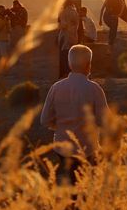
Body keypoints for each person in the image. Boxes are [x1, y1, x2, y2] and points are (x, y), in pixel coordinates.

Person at [40, 44, 109, 185]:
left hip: (62, 148)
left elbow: (44, 119)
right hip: (87, 149)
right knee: (84, 184)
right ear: (88, 65)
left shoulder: (56, 87)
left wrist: (60, 126)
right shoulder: (95, 89)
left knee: (70, 181)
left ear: (69, 64)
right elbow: (104, 121)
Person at [57, 0, 80, 78]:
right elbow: (77, 25)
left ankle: (64, 75)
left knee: (63, 56)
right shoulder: (75, 12)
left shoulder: (63, 12)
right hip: (73, 36)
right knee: (71, 56)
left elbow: (63, 25)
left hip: (64, 37)